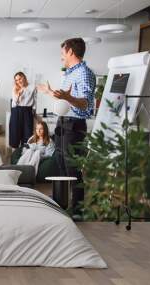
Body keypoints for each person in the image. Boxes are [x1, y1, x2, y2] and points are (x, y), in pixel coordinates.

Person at [37, 37, 95, 218]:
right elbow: (65, 99)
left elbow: (85, 104)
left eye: (63, 52)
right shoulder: (70, 72)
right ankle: (62, 204)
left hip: (74, 125)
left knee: (73, 169)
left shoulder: (84, 72)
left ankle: (78, 210)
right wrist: (49, 92)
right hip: (63, 123)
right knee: (61, 164)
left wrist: (67, 98)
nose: (61, 55)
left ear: (70, 51)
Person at [9, 71, 37, 148]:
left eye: (20, 79)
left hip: (28, 111)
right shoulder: (15, 88)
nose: (18, 81)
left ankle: (25, 150)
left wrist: (34, 112)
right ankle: (15, 151)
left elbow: (35, 101)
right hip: (16, 111)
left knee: (28, 132)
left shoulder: (33, 87)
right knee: (15, 131)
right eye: (16, 80)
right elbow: (14, 103)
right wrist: (18, 95)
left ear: (24, 77)